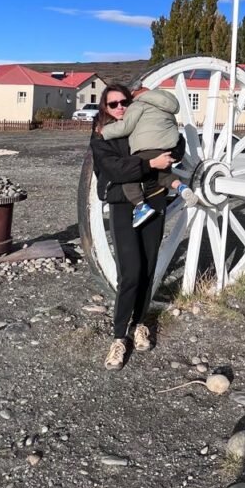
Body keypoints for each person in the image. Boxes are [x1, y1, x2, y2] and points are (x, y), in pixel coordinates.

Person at [89, 83, 176, 371]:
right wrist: (152, 163)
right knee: (131, 270)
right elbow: (114, 169)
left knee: (149, 267)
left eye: (124, 101)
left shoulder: (144, 119)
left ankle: (139, 323)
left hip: (154, 199)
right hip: (122, 204)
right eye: (112, 104)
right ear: (105, 107)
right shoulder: (101, 137)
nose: (119, 107)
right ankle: (118, 337)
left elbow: (174, 145)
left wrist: (171, 149)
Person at [101, 86, 197, 227]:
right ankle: (181, 187)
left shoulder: (138, 105)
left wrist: (104, 131)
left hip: (146, 148)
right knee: (164, 176)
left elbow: (125, 127)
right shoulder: (167, 107)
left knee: (130, 177)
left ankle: (140, 206)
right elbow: (172, 127)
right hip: (167, 149)